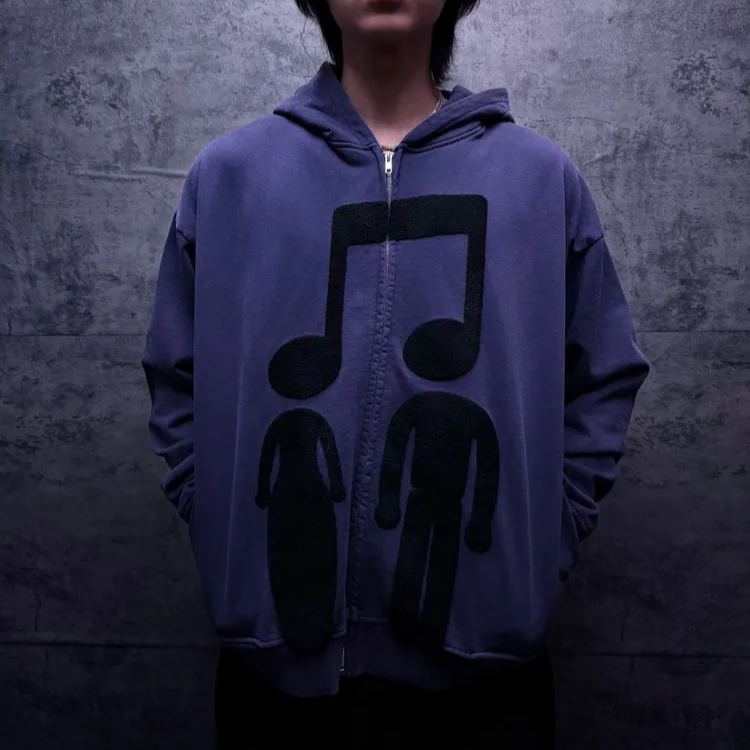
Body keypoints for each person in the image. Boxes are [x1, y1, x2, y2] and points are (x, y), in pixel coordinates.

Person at [141, 1, 651, 748]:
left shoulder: (541, 180)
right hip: (275, 680)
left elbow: (603, 372)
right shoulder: (230, 177)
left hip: (486, 684)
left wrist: (550, 534)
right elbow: (175, 372)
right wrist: (221, 523)